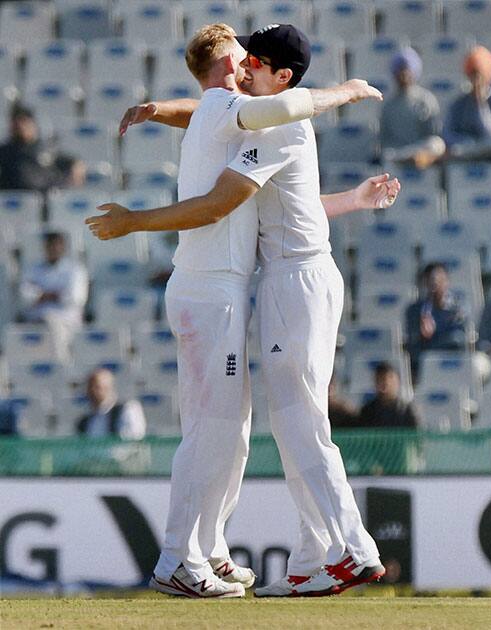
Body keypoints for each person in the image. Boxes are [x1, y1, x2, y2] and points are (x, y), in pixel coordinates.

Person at [88, 23, 398, 598]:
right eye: (243, 57)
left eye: (258, 60)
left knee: (284, 424)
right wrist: (157, 111)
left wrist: (351, 90)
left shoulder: (271, 122)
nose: (248, 65)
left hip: (287, 284)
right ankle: (270, 556)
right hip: (243, 288)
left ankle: (344, 550)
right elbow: (211, 120)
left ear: (277, 76)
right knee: (242, 428)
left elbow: (223, 195)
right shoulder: (248, 115)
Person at [17, 231, 88, 362]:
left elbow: (75, 298)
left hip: (66, 323)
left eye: (57, 245)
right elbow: (25, 297)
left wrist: (41, 295)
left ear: (63, 247)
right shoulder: (32, 269)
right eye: (50, 245)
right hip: (35, 321)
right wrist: (57, 294)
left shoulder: (75, 270)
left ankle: (61, 364)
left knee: (52, 326)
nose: (53, 249)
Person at [379, 46, 445, 169]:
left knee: (437, 144)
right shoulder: (388, 105)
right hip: (397, 153)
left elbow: (434, 135)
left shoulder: (426, 100)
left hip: (421, 151)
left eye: (406, 70)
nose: (404, 75)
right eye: (400, 70)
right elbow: (384, 140)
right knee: (387, 156)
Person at [404, 262, 470, 382]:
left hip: (452, 364)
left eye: (438, 278)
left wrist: (433, 336)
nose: (434, 282)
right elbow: (412, 342)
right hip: (422, 365)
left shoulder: (458, 307)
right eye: (430, 279)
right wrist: (422, 336)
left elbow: (458, 339)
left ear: (447, 281)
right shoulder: (414, 310)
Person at [442, 46, 491, 160]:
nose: (476, 80)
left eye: (479, 75)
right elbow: (448, 133)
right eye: (473, 75)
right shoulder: (459, 103)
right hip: (464, 150)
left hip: (487, 152)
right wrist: (467, 142)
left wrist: (480, 104)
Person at [0, 104, 84, 191]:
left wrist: (76, 168)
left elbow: (73, 162)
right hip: (10, 199)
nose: (20, 127)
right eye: (16, 124)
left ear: (33, 124)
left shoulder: (45, 148)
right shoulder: (5, 151)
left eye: (24, 122)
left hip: (43, 198)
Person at [75, 368, 146, 439]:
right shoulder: (85, 422)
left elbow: (132, 441)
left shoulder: (128, 409)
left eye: (97, 387)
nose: (92, 391)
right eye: (90, 387)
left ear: (109, 388)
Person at [357, 362, 419, 429]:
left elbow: (416, 436)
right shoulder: (367, 411)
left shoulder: (406, 410)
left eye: (389, 379)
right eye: (380, 380)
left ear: (397, 382)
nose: (385, 383)